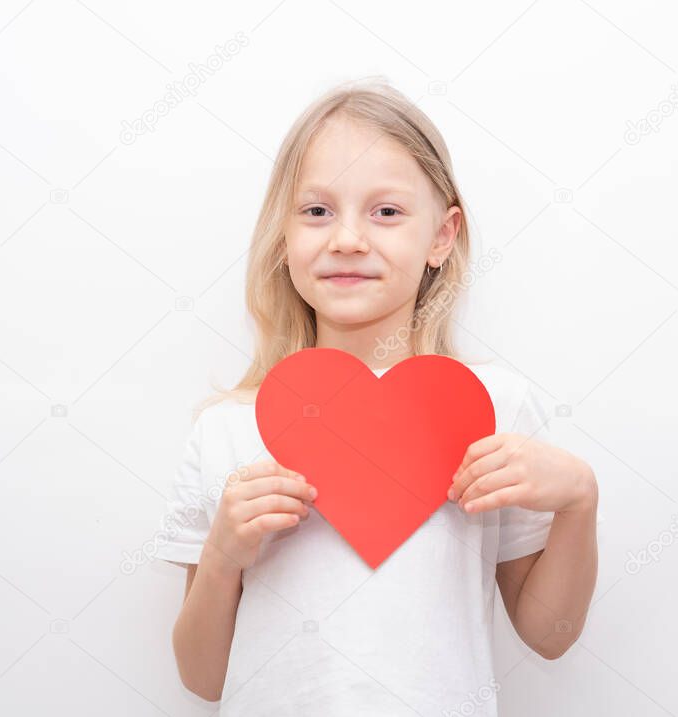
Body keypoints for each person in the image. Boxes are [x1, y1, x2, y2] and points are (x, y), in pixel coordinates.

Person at [154, 78, 603, 716]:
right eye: (316, 211)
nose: (347, 239)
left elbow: (550, 637)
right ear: (284, 237)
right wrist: (224, 554)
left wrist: (578, 501)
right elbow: (201, 677)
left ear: (442, 237)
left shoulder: (491, 409)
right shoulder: (227, 428)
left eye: (385, 212)